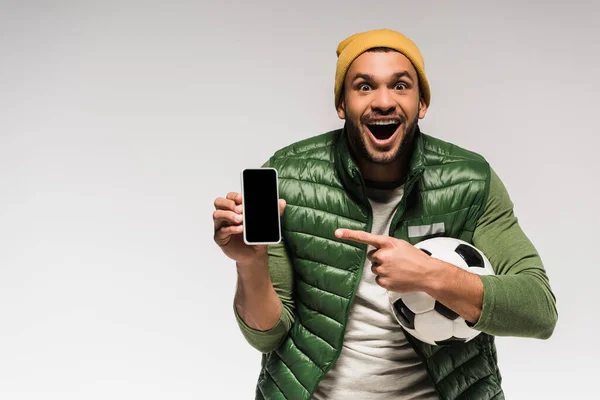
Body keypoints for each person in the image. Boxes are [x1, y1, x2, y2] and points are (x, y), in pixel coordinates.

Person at [212, 28, 557, 400]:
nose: (383, 102)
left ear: (422, 103)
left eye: (400, 86)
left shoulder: (471, 180)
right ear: (342, 104)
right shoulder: (289, 178)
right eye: (364, 86)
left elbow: (539, 311)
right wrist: (250, 264)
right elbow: (266, 335)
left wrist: (431, 274)